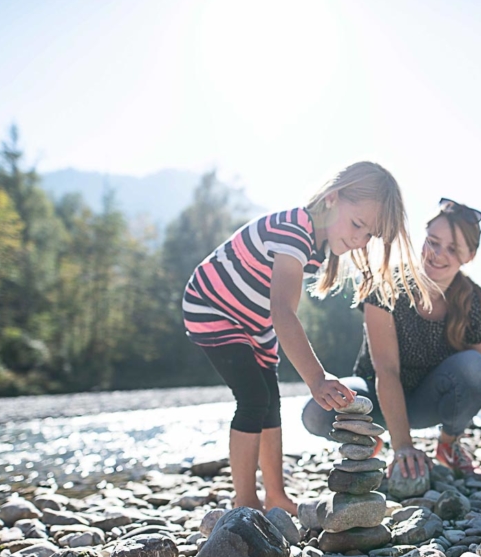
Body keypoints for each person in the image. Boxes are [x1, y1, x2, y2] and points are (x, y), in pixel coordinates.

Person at [181, 162, 431, 514]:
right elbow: (283, 311)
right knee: (252, 397)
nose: (360, 239)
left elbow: (274, 313)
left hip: (255, 321)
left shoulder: (317, 246)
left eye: (368, 235)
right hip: (214, 307)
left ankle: (276, 496)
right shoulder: (294, 231)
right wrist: (316, 378)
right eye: (358, 225)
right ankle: (245, 502)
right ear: (332, 199)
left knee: (271, 403)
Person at [302, 198, 481, 478]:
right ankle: (368, 437)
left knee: (477, 367)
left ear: (470, 256)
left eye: (453, 249)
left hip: (430, 402)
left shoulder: (472, 299)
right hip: (377, 396)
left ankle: (448, 445)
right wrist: (403, 446)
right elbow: (387, 371)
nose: (438, 254)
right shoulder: (386, 285)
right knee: (315, 413)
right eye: (433, 241)